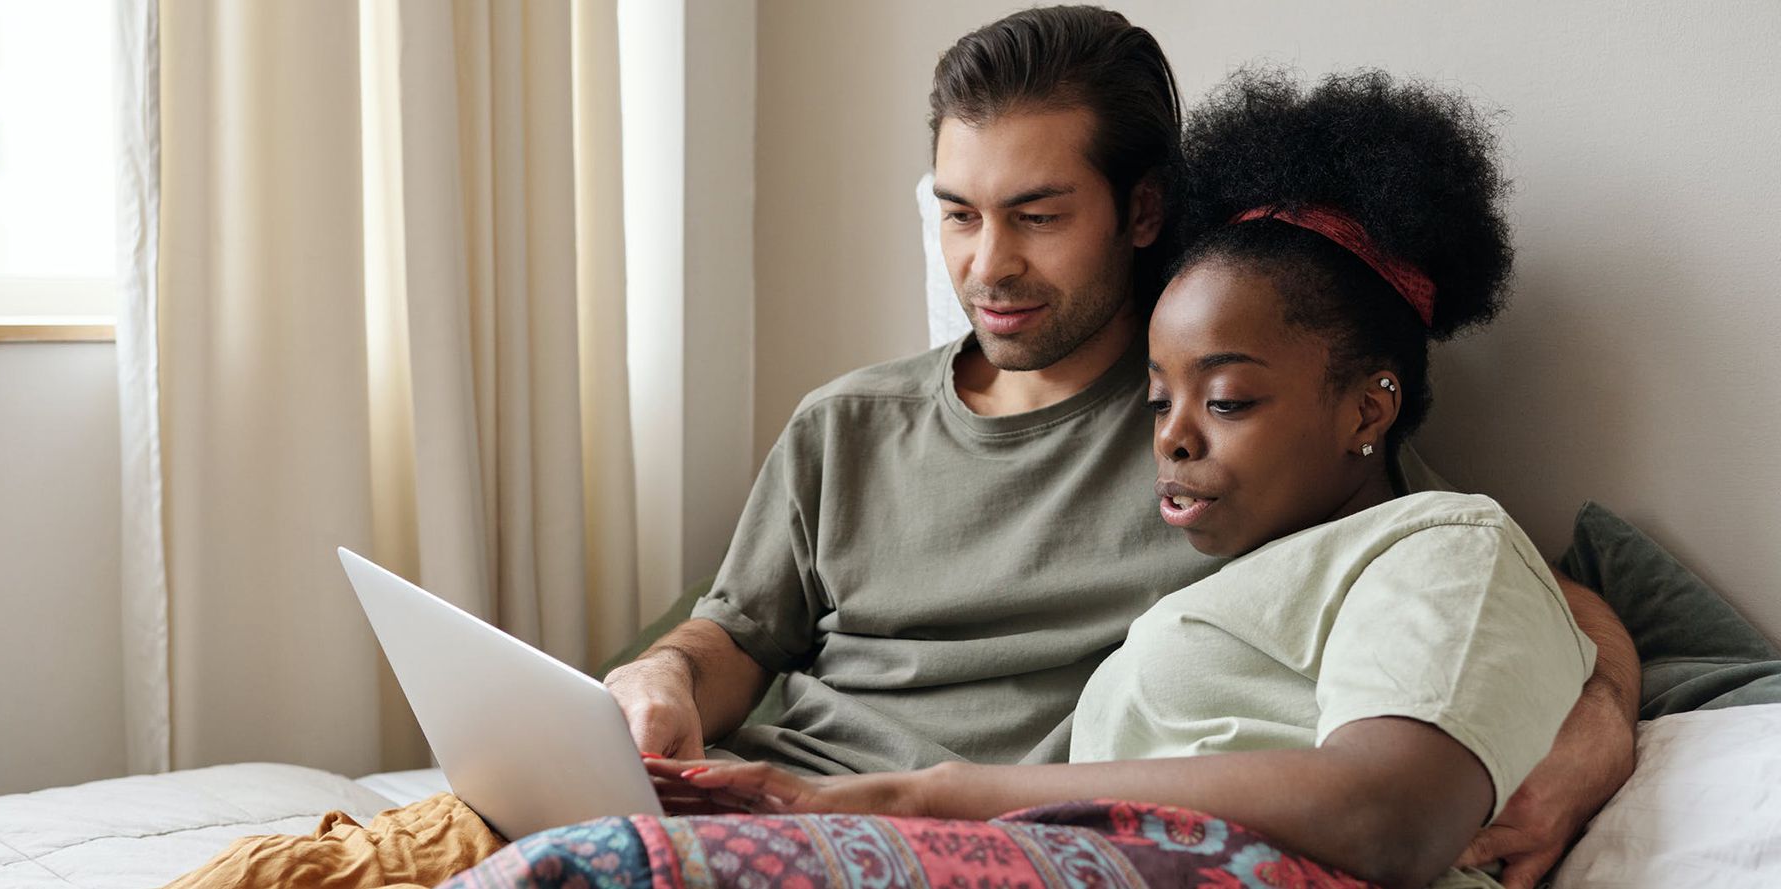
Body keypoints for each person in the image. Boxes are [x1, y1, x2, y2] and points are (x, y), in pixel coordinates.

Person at [474, 66, 1589, 889]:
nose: (987, 265)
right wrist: (658, 682)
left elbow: (1509, 596)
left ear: (1140, 212)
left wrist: (1598, 730)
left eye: (1037, 216)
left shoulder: (1283, 475)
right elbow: (732, 632)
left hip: (947, 838)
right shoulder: (849, 425)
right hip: (770, 790)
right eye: (957, 215)